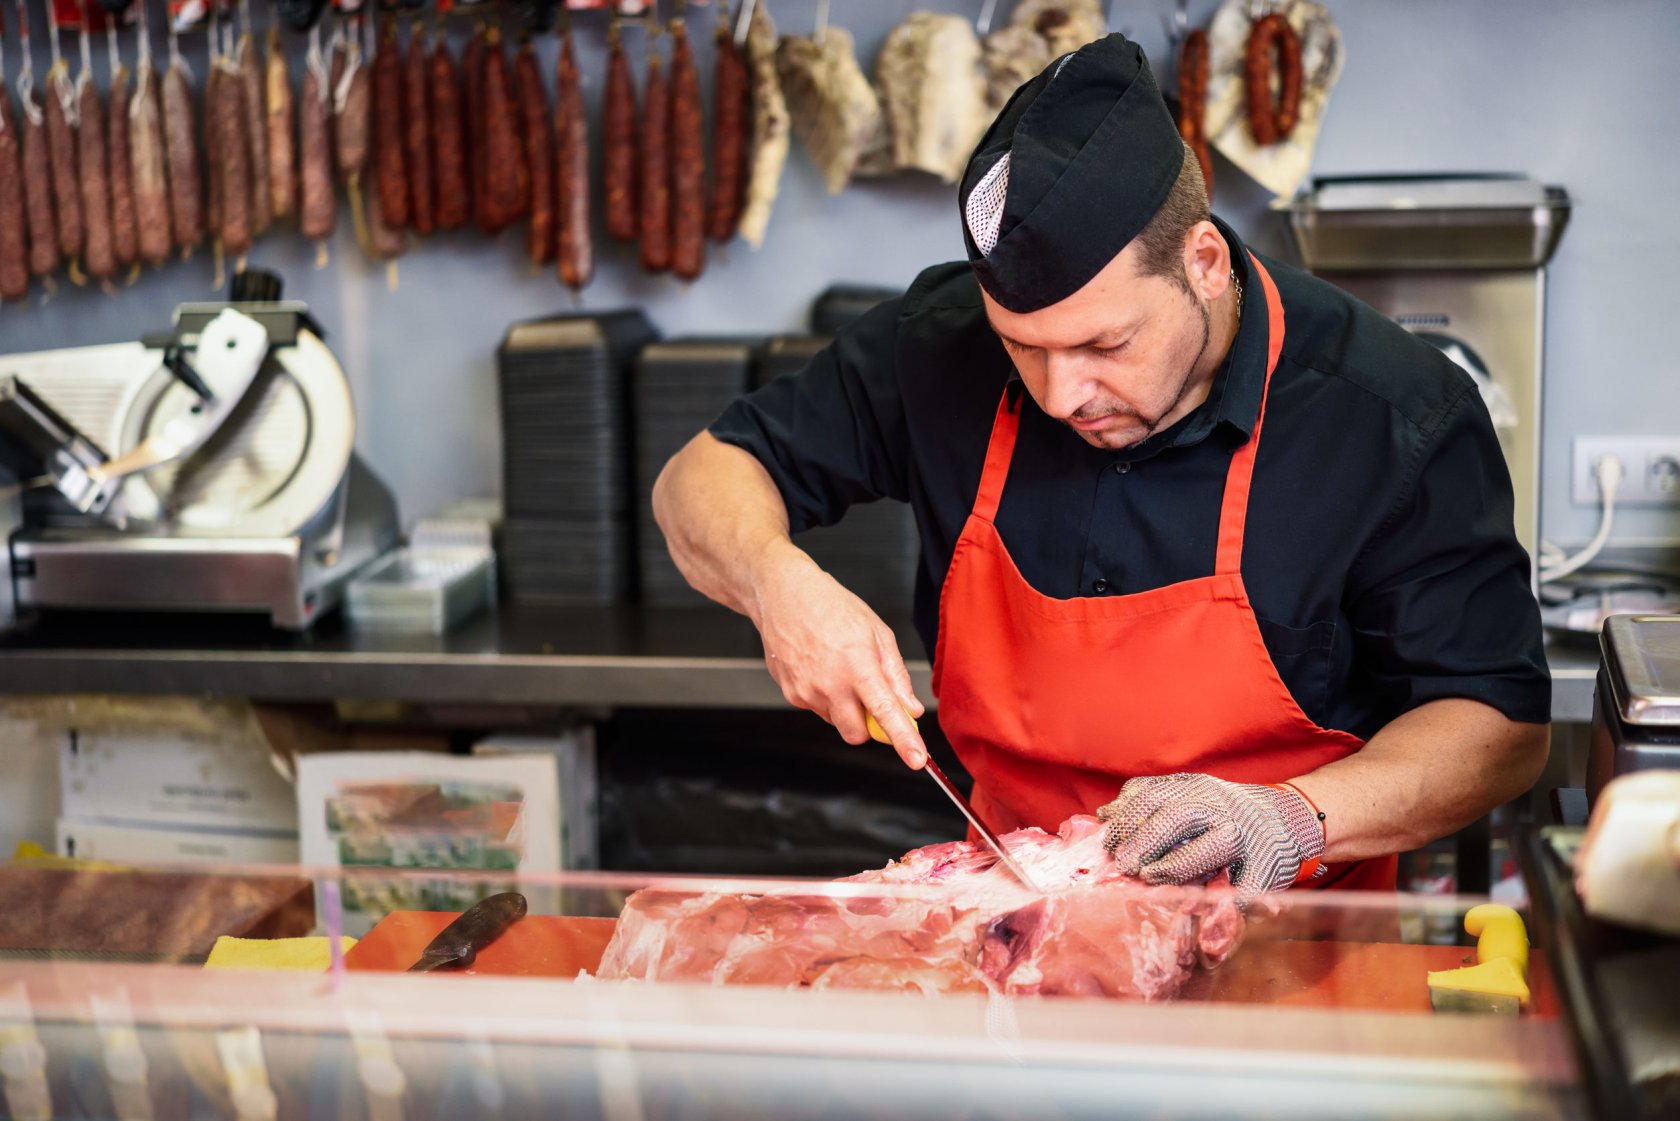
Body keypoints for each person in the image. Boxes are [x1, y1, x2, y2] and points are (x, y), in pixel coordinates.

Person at [652, 33, 1550, 893]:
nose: (1059, 394)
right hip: (1018, 935)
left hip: (1296, 959)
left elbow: (1500, 725)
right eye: (1022, 347)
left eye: (1104, 343)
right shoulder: (942, 347)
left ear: (1201, 262)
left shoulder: (1389, 415)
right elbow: (701, 476)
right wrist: (777, 584)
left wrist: (1291, 819)